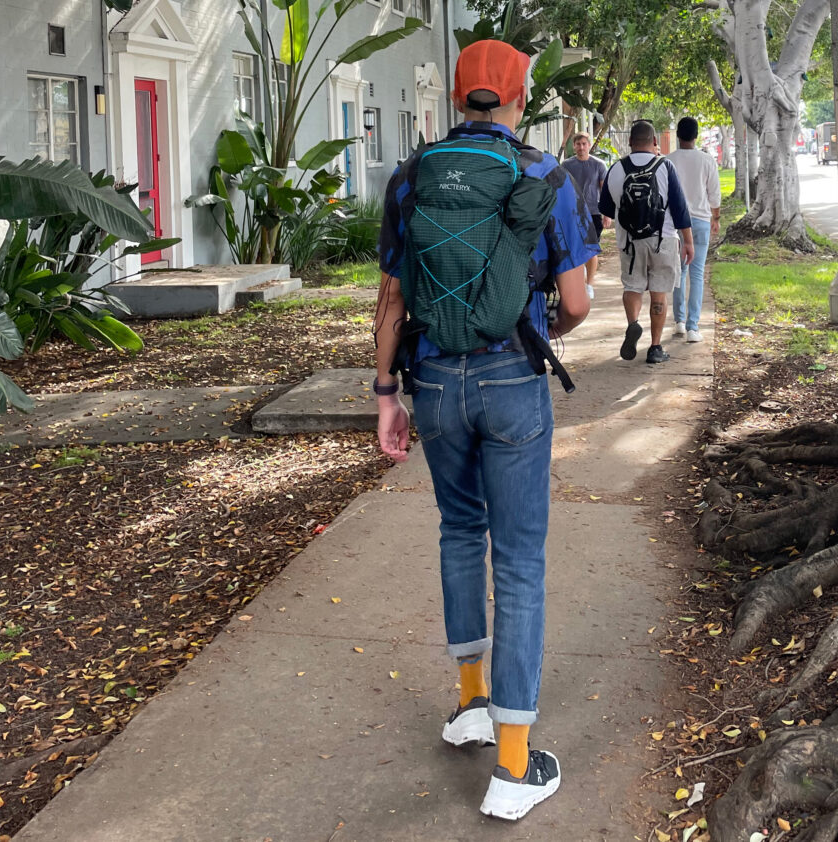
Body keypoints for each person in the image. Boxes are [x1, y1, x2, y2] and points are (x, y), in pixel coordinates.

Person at [373, 38, 595, 821]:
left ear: (459, 95)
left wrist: (384, 395)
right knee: (522, 562)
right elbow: (575, 302)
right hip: (510, 381)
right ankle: (512, 765)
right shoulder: (544, 176)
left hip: (430, 380)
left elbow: (393, 300)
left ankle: (470, 705)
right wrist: (542, 328)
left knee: (459, 533)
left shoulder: (411, 178)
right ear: (516, 97)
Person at [598, 120, 694, 364]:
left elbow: (606, 210)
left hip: (630, 242)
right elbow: (681, 209)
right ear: (654, 142)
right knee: (659, 294)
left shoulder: (616, 169)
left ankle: (633, 323)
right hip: (663, 240)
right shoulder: (665, 166)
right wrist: (689, 242)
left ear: (630, 142)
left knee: (632, 287)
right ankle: (655, 347)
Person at [667, 117, 721, 343]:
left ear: (678, 135)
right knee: (697, 273)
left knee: (679, 273)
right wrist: (716, 218)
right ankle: (693, 327)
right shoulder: (707, 160)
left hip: (675, 224)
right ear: (696, 136)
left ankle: (679, 322)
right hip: (700, 221)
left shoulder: (668, 161)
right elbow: (714, 194)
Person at [561, 132, 610, 299]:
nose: (581, 147)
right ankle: (578, 283)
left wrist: (607, 213)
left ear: (589, 146)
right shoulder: (566, 165)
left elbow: (604, 190)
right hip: (573, 212)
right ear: (573, 146)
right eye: (578, 144)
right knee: (575, 248)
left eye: (584, 144)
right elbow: (562, 188)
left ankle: (589, 284)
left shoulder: (599, 165)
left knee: (591, 249)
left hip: (594, 212)